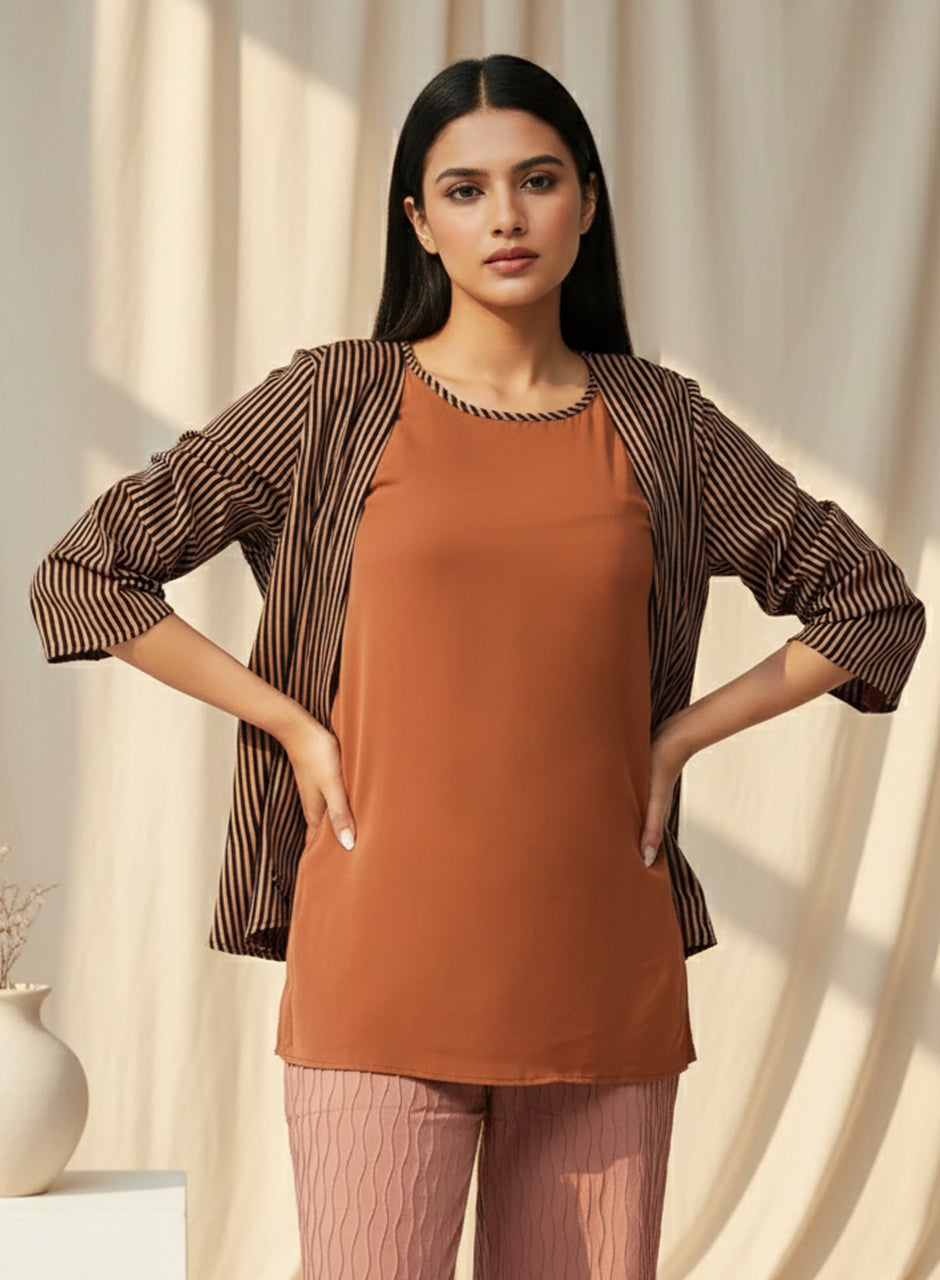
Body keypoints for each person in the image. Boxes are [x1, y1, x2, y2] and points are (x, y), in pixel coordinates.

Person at [28, 52, 925, 1280]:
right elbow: (88, 571)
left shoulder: (660, 422)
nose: (505, 216)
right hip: (379, 962)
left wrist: (677, 736)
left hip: (600, 963)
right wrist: (293, 724)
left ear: (587, 202)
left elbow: (869, 600)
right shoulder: (337, 399)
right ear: (419, 221)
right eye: (465, 189)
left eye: (538, 181)